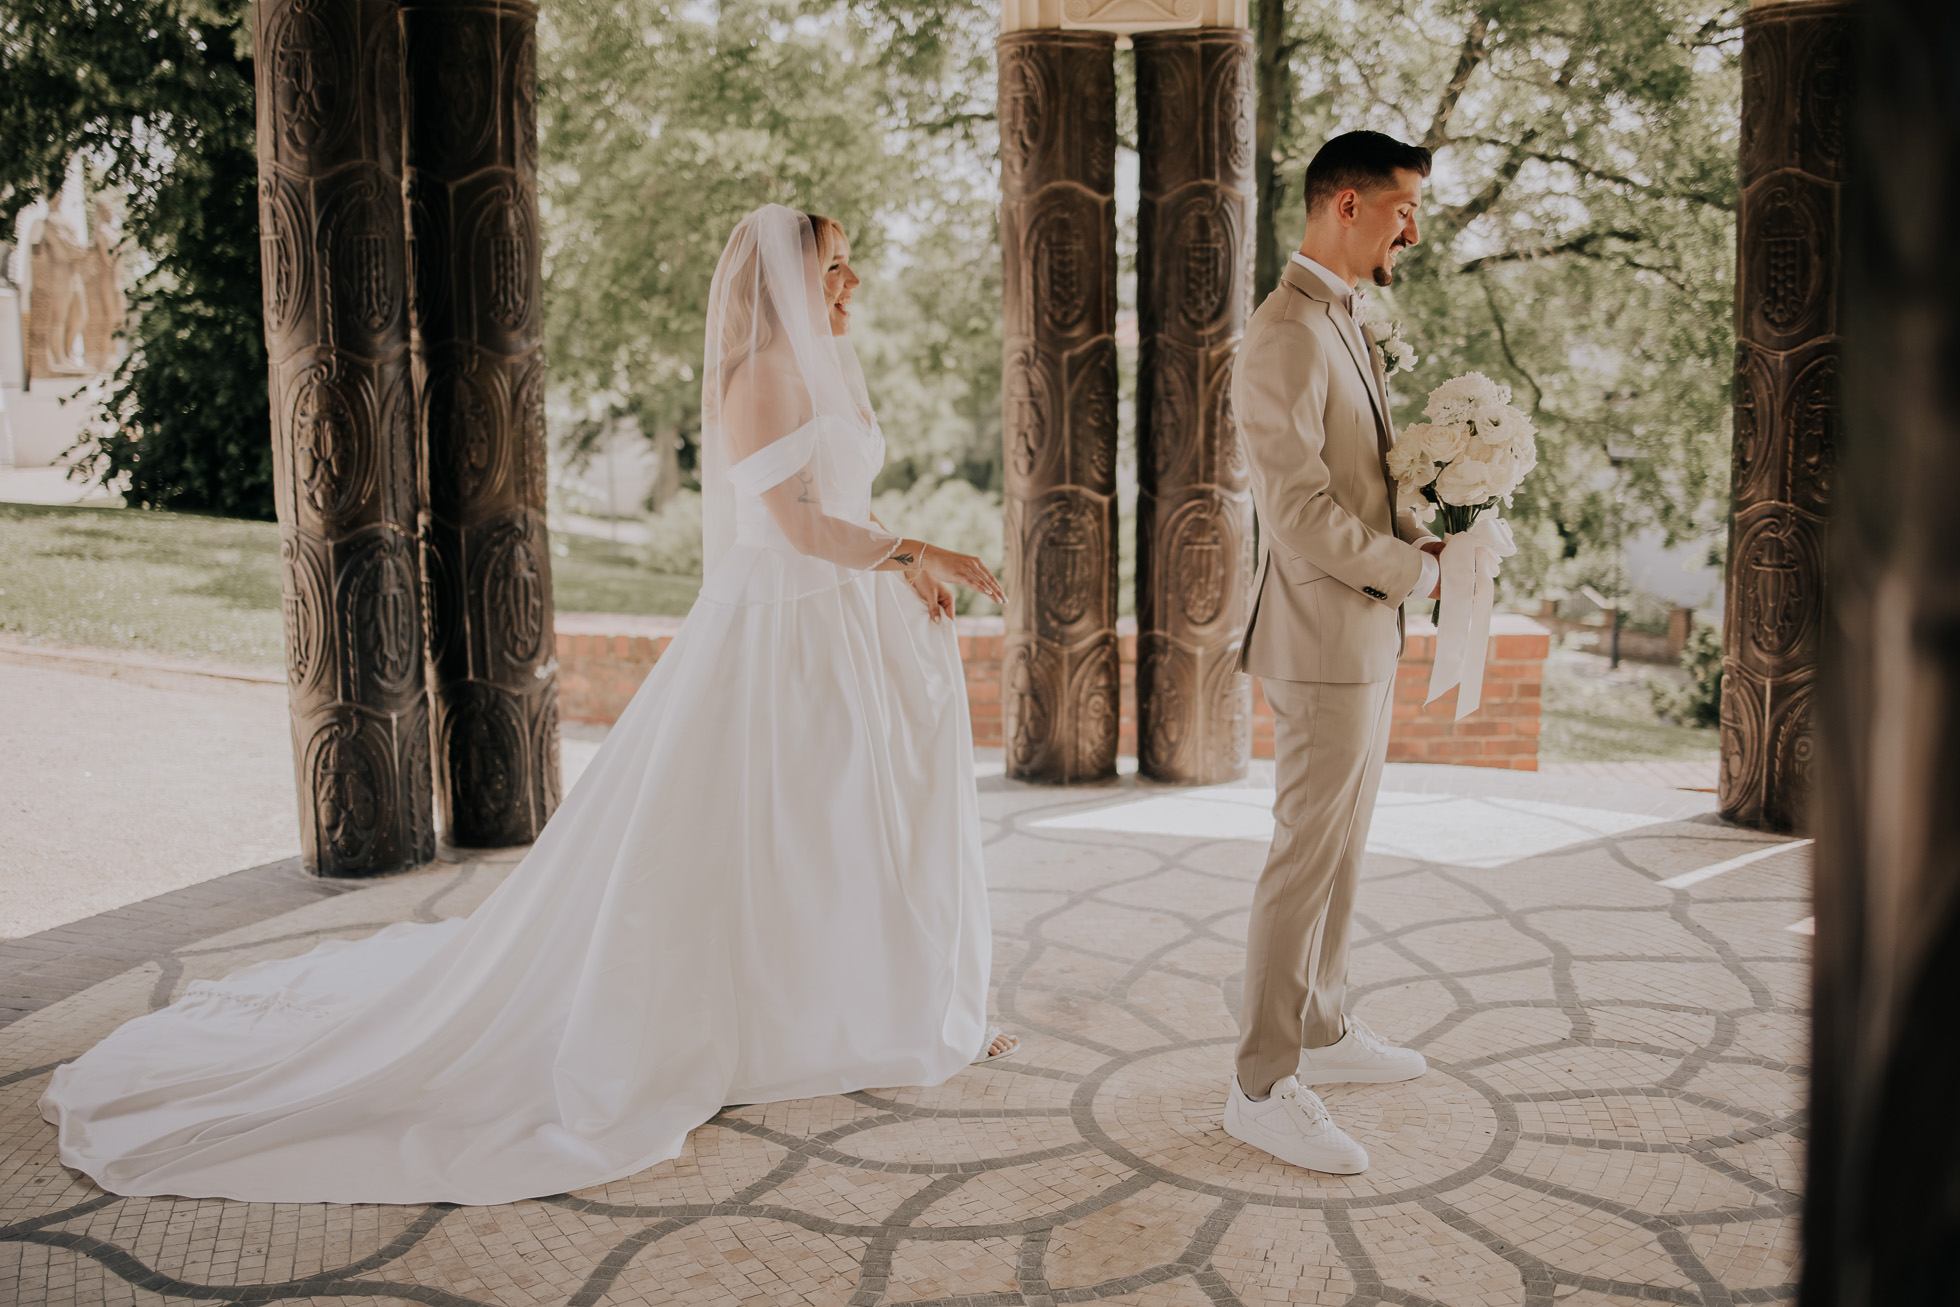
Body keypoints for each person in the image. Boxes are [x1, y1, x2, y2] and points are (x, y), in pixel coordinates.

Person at [40, 204, 1016, 1206]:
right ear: (782, 285)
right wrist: (922, 551)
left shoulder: (821, 370)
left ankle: (874, 1004)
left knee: (837, 822)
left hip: (835, 625)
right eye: (833, 268)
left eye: (849, 265)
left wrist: (902, 562)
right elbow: (800, 529)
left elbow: (842, 504)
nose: (851, 284)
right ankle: (785, 1018)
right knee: (772, 825)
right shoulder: (761, 376)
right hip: (781, 633)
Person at [1222, 131, 1442, 1175]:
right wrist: (1408, 573)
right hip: (1319, 636)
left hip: (1366, 630)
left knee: (1343, 851)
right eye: (1403, 208)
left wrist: (1426, 535)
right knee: (1302, 860)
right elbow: (1299, 511)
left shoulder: (1341, 317)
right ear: (1345, 204)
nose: (1414, 230)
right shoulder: (1284, 333)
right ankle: (1260, 1085)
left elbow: (1357, 482)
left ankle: (1323, 1026)